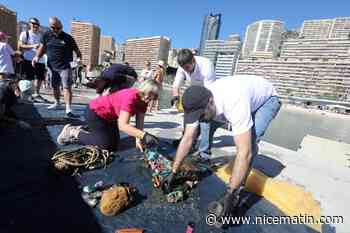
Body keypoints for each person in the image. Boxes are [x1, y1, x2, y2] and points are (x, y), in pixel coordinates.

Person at [162, 75, 281, 219]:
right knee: (208, 122)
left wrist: (230, 195)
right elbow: (187, 138)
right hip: (241, 97)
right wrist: (174, 171)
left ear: (210, 102)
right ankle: (232, 185)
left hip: (267, 100)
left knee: (250, 144)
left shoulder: (233, 102)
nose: (199, 119)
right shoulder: (197, 101)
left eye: (201, 115)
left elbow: (245, 152)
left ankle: (236, 192)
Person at [56, 79, 161, 152]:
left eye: (152, 96)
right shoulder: (131, 97)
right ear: (142, 89)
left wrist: (139, 139)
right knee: (105, 146)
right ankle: (73, 131)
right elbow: (123, 126)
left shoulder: (144, 100)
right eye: (147, 93)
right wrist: (144, 135)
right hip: (95, 113)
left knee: (114, 145)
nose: (148, 98)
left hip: (110, 118)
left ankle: (93, 130)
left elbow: (140, 120)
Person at [171, 49, 216, 160]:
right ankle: (187, 142)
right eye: (184, 68)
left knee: (205, 123)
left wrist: (204, 110)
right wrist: (175, 96)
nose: (186, 71)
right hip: (193, 92)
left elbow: (209, 92)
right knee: (188, 119)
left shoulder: (206, 65)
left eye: (188, 68)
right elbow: (176, 85)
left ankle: (204, 152)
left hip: (208, 92)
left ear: (193, 61)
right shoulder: (182, 67)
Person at [32, 17, 82, 118]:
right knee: (55, 86)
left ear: (61, 27)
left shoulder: (68, 38)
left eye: (58, 28)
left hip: (65, 66)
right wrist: (36, 57)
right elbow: (42, 48)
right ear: (50, 27)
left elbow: (77, 51)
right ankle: (57, 102)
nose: (55, 30)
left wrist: (79, 59)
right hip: (51, 66)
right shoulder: (46, 35)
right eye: (53, 28)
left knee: (66, 87)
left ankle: (68, 108)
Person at [18, 17, 47, 102]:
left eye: (37, 24)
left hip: (40, 59)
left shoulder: (41, 35)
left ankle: (37, 94)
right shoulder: (25, 33)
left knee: (40, 78)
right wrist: (33, 46)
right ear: (29, 24)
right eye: (33, 23)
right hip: (28, 59)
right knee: (29, 78)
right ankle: (29, 95)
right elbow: (20, 45)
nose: (36, 26)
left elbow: (44, 46)